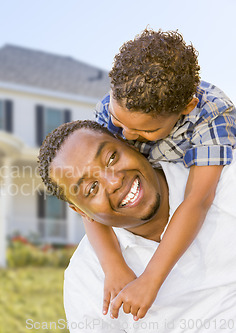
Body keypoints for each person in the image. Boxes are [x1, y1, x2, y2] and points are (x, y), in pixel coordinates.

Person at [89, 29, 236, 320]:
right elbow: (85, 193)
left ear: (186, 108)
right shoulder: (109, 109)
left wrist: (150, 280)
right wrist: (113, 264)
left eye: (146, 131)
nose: (126, 135)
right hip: (142, 196)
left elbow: (198, 199)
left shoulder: (213, 114)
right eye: (119, 122)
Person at [37, 120, 236, 332]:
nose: (113, 182)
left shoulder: (224, 180)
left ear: (130, 144)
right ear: (81, 212)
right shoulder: (86, 279)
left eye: (112, 158)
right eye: (92, 188)